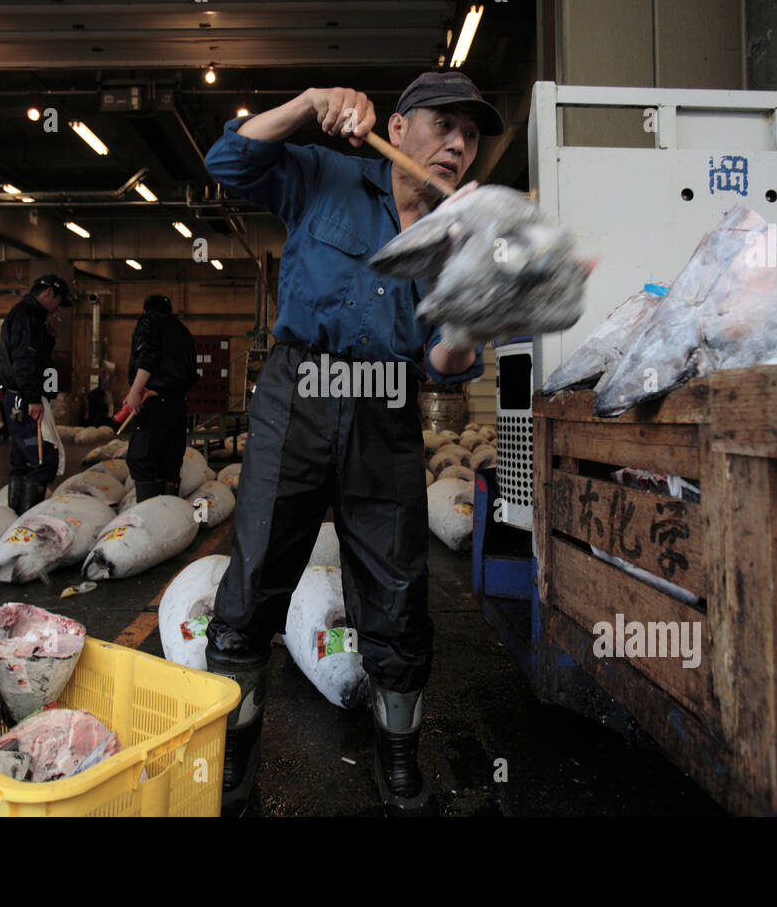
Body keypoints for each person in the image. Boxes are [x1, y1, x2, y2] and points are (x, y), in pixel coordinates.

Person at [200, 71, 497, 816]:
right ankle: (233, 766)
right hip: (298, 392)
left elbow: (442, 367)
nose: (457, 144)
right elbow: (227, 162)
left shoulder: (455, 238)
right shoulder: (325, 173)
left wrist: (469, 315)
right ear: (397, 129)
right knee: (256, 574)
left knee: (398, 587)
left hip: (385, 406)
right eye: (442, 125)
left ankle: (398, 765)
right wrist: (307, 103)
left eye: (470, 135)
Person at [0, 274, 74, 513]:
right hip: (25, 398)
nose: (57, 308)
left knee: (21, 459)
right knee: (43, 460)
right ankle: (28, 520)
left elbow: (33, 355)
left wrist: (48, 337)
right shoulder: (27, 316)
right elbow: (24, 359)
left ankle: (15, 517)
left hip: (17, 396)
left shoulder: (25, 316)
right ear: (49, 293)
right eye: (58, 301)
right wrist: (32, 397)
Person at [120, 295, 199, 502]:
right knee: (170, 460)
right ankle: (168, 512)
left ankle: (149, 514)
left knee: (141, 458)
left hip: (153, 400)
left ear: (146, 310)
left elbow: (147, 356)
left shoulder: (150, 322)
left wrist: (135, 391)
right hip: (177, 404)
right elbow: (192, 372)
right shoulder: (182, 330)